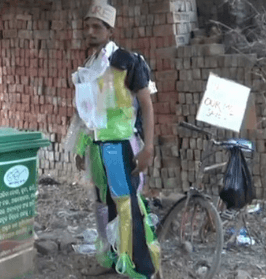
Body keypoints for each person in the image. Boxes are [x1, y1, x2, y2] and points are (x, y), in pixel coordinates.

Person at [66, 0, 161, 278]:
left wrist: (149, 148)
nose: (91, 31)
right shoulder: (89, 65)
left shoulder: (127, 62)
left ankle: (139, 269)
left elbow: (147, 105)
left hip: (119, 147)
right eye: (88, 26)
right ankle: (111, 259)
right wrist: (80, 147)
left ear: (110, 29)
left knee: (126, 204)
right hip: (96, 147)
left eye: (98, 26)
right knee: (101, 204)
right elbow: (86, 113)